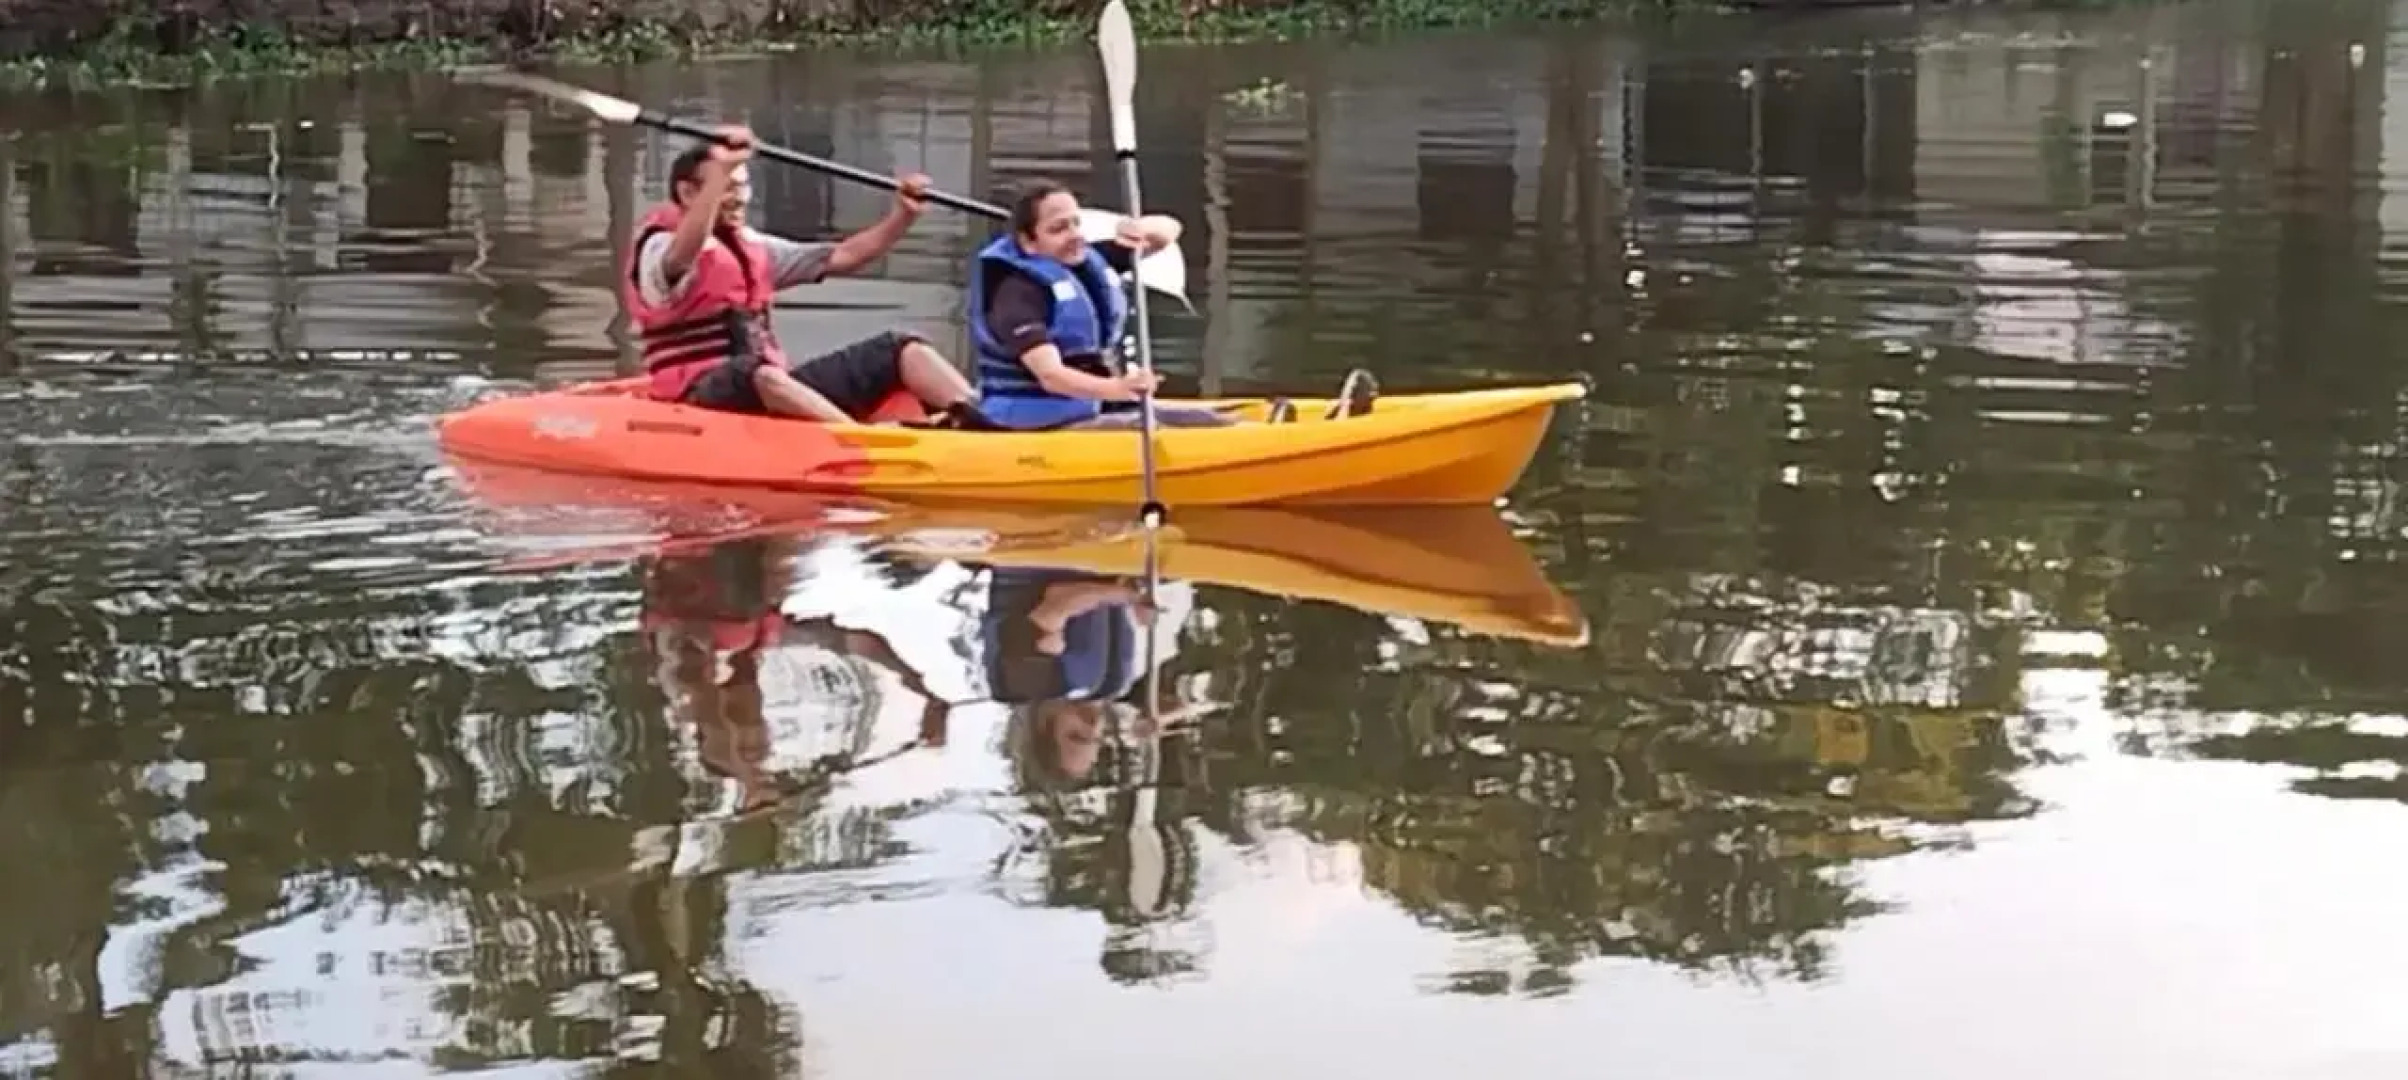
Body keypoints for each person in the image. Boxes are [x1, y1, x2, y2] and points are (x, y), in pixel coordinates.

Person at [624, 124, 983, 427]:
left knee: (902, 348)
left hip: (767, 384)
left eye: (742, 185)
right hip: (699, 394)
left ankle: (983, 423)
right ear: (688, 193)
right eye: (728, 187)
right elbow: (683, 254)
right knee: (755, 371)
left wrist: (902, 216)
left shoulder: (751, 246)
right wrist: (719, 171)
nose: (741, 198)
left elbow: (842, 257)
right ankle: (861, 441)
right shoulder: (660, 248)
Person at [967, 179, 1379, 431]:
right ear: (1027, 241)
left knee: (1192, 418)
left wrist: (1139, 228)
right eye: (1059, 228)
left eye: (1077, 223)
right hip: (1034, 424)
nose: (1075, 235)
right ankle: (1286, 442)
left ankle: (1271, 428)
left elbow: (1169, 231)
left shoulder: (1083, 259)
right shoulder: (1017, 293)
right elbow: (1052, 376)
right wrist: (1118, 387)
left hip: (1090, 407)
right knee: (1153, 426)